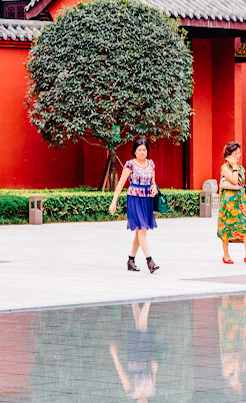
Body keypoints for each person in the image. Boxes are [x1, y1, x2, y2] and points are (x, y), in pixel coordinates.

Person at [108, 140, 159, 274]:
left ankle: (131, 260)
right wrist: (114, 202)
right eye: (139, 150)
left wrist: (154, 188)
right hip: (135, 199)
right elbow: (120, 185)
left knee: (139, 232)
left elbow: (153, 182)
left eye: (144, 150)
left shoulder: (151, 164)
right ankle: (150, 261)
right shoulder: (130, 165)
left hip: (147, 200)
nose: (142, 152)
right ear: (135, 151)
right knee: (142, 230)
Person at [217, 141, 246, 265]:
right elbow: (234, 181)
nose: (238, 156)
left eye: (239, 153)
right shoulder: (225, 168)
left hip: (241, 200)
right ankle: (226, 255)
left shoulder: (241, 168)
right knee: (227, 226)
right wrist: (234, 166)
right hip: (228, 202)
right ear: (229, 155)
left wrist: (236, 167)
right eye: (235, 153)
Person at [110, 302, 157, 402]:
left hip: (134, 357)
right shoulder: (151, 391)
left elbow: (121, 373)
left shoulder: (131, 392)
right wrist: (154, 369)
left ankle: (148, 299)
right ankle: (134, 300)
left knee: (141, 327)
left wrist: (114, 356)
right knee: (140, 326)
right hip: (146, 356)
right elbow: (153, 376)